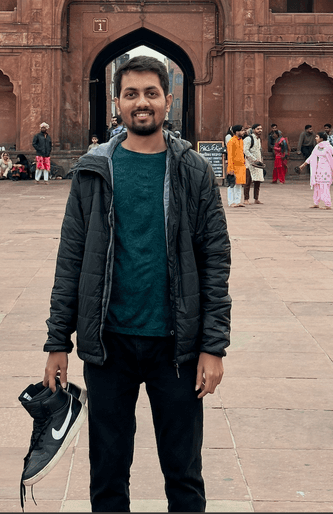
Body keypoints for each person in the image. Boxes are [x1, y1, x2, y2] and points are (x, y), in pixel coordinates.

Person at [41, 55, 231, 512]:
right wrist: (56, 341)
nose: (141, 103)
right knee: (107, 473)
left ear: (169, 100)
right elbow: (71, 260)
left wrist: (213, 346)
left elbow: (215, 261)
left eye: (150, 93)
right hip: (109, 344)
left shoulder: (192, 170)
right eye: (131, 94)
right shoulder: (93, 170)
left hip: (176, 347)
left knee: (184, 474)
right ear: (116, 103)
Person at [300, 131, 333, 209]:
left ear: (321, 138)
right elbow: (311, 156)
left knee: (325, 186)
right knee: (316, 185)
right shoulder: (317, 147)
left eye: (317, 137)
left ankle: (327, 204)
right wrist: (303, 165)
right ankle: (316, 203)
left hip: (326, 169)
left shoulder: (328, 147)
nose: (315, 138)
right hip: (318, 169)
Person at [244, 122, 265, 204]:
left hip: (258, 163)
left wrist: (260, 160)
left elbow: (259, 151)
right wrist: (253, 159)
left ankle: (256, 198)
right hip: (250, 163)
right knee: (248, 182)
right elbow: (245, 151)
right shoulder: (248, 139)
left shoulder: (258, 139)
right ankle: (246, 199)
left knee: (257, 182)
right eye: (258, 129)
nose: (260, 130)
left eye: (261, 129)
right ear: (253, 130)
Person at [226, 124, 246, 207]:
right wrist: (230, 168)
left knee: (239, 184)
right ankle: (231, 202)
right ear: (236, 132)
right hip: (234, 166)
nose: (243, 132)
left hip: (241, 165)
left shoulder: (241, 141)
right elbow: (230, 156)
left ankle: (238, 201)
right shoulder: (231, 141)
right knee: (232, 185)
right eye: (242, 130)